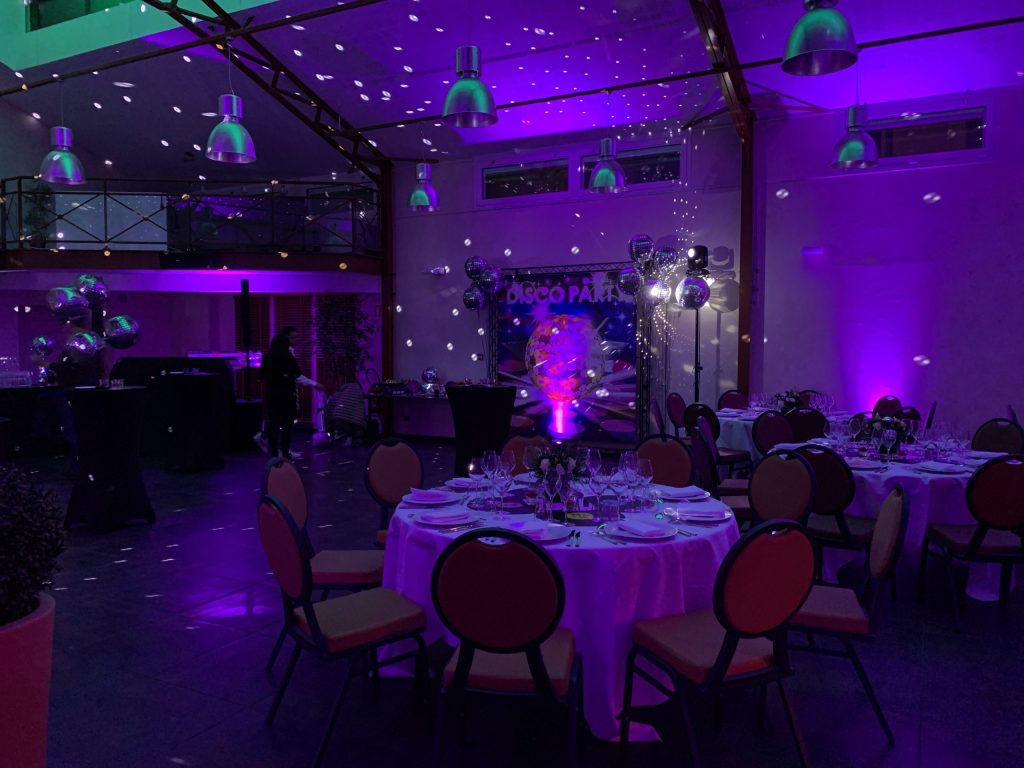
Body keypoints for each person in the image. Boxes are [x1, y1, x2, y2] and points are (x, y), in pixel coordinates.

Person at [258, 327, 323, 460]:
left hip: (272, 395)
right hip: (287, 395)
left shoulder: (267, 357)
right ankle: (286, 451)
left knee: (273, 423)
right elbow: (297, 374)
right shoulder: (289, 358)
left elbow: (260, 376)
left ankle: (274, 453)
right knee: (287, 424)